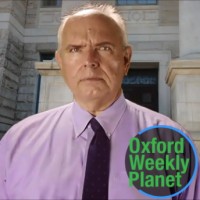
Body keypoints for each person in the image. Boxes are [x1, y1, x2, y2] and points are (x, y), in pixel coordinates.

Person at [0, 4, 199, 200]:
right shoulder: (18, 142)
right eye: (75, 49)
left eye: (104, 48)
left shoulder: (174, 144)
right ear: (60, 63)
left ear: (126, 59)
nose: (90, 60)